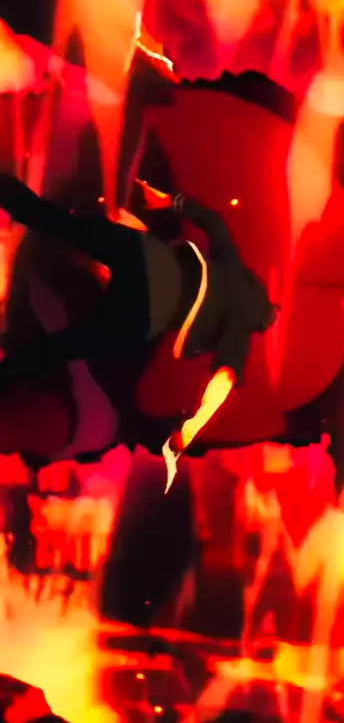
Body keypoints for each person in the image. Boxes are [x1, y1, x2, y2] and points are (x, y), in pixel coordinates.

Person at [0, 174, 278, 490]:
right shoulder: (238, 331)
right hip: (145, 313)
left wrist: (165, 200)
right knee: (61, 348)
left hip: (145, 256)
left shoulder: (232, 266)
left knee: (55, 223)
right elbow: (222, 384)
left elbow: (211, 220)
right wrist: (190, 429)